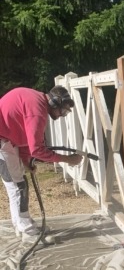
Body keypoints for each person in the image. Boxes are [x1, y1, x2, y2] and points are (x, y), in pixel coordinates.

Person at [0, 85, 82, 242]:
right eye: (62, 110)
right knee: (17, 186)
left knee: (18, 184)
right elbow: (37, 150)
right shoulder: (37, 110)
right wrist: (67, 159)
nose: (62, 115)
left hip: (6, 138)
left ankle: (22, 224)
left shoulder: (37, 103)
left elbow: (24, 139)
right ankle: (26, 230)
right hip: (2, 139)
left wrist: (25, 161)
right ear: (54, 103)